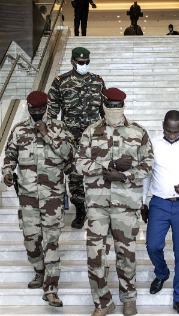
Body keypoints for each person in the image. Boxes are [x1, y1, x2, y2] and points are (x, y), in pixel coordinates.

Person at [76, 88, 153, 316]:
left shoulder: (138, 132)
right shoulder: (91, 131)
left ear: (124, 105)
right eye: (110, 104)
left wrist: (124, 176)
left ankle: (129, 297)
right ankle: (102, 302)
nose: (114, 109)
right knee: (95, 255)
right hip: (98, 204)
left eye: (118, 104)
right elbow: (79, 163)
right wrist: (107, 165)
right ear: (103, 104)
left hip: (125, 205)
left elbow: (148, 164)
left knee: (126, 254)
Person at [2, 91, 75, 305]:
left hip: (52, 195)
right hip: (27, 195)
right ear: (28, 108)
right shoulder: (19, 130)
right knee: (31, 240)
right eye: (33, 111)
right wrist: (7, 171)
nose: (37, 115)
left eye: (40, 111)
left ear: (47, 108)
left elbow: (70, 154)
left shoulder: (59, 128)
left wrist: (47, 134)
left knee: (51, 241)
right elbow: (10, 154)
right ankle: (40, 271)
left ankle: (51, 288)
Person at [142, 110, 179, 315]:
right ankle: (162, 272)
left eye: (175, 132)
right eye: (168, 130)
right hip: (159, 203)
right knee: (153, 245)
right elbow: (147, 175)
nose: (171, 135)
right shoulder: (153, 143)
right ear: (163, 125)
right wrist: (143, 201)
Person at [48, 46, 106, 229]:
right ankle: (80, 209)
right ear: (72, 62)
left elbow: (105, 111)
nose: (85, 65)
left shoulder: (98, 81)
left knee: (97, 173)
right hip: (71, 139)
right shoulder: (61, 82)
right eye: (81, 63)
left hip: (94, 138)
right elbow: (51, 114)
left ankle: (99, 210)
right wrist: (55, 136)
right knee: (74, 175)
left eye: (87, 62)